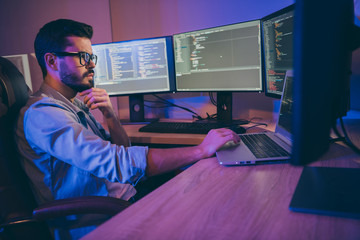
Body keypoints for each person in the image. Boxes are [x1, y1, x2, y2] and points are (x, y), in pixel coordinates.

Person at [15, 19, 240, 239]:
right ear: (52, 61)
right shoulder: (43, 114)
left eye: (91, 57)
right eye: (83, 57)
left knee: (204, 188)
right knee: (208, 215)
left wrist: (111, 116)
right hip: (97, 218)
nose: (92, 64)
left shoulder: (73, 104)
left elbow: (121, 149)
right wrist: (200, 150)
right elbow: (118, 163)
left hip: (120, 197)